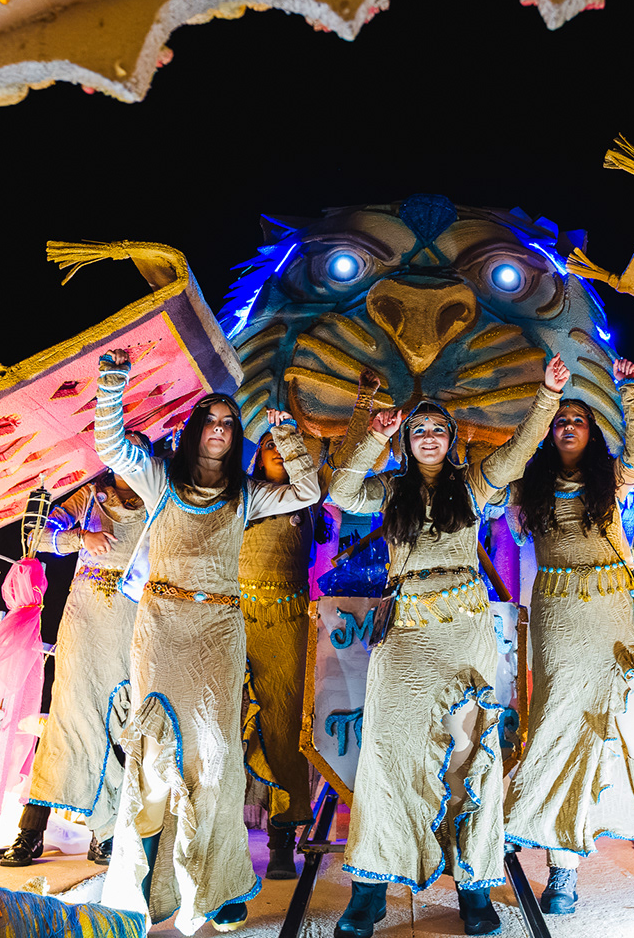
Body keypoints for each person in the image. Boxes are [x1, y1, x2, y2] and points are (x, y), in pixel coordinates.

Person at [325, 355, 571, 938]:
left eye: (438, 428)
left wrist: (548, 395)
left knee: (468, 752)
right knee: (387, 751)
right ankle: (369, 890)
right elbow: (341, 488)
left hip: (464, 630)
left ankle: (474, 886)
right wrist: (372, 436)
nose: (429, 436)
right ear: (406, 441)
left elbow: (521, 449)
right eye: (418, 430)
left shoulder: (474, 483)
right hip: (405, 629)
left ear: (451, 438)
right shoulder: (389, 490)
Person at [94, 348, 319, 934]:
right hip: (162, 629)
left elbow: (307, 491)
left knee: (217, 760)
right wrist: (112, 385)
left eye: (228, 423)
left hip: (219, 631)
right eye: (210, 420)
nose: (219, 429)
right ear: (194, 429)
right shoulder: (159, 478)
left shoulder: (247, 494)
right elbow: (111, 446)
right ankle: (145, 887)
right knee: (154, 759)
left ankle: (219, 887)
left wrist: (287, 438)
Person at [501, 360, 634, 915]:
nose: (569, 426)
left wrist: (631, 389)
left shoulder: (610, 478)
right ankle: (562, 869)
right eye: (560, 420)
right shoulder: (525, 485)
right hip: (560, 619)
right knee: (562, 732)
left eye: (579, 420)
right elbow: (508, 461)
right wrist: (546, 399)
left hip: (615, 613)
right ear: (548, 431)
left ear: (592, 432)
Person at [4, 462, 151, 868]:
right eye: (125, 443)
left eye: (142, 445)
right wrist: (80, 537)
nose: (133, 453)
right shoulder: (89, 496)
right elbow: (35, 535)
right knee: (67, 718)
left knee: (120, 722)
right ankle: (30, 831)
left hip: (132, 618)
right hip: (85, 615)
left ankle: (106, 832)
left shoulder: (158, 494)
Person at [240, 435, 317, 881]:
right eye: (269, 442)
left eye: (286, 443)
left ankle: (281, 840)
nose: (278, 448)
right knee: (231, 725)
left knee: (284, 729)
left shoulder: (309, 497)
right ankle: (221, 841)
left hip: (288, 622)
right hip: (236, 619)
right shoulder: (241, 493)